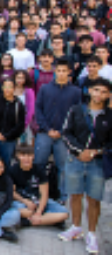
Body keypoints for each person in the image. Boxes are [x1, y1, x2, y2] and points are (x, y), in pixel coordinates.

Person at [59, 78, 112, 254]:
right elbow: (66, 133)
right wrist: (79, 151)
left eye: (104, 92)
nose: (99, 95)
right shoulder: (76, 110)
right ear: (90, 90)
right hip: (75, 159)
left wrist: (95, 152)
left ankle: (92, 234)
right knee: (75, 195)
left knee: (94, 199)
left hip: (97, 162)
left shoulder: (109, 116)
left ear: (109, 95)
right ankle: (75, 227)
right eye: (97, 90)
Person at [35, 59, 81, 202]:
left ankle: (63, 196)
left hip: (64, 136)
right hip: (45, 133)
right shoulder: (44, 89)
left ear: (69, 73)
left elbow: (76, 114)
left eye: (64, 71)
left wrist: (63, 131)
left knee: (64, 167)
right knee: (39, 164)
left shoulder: (76, 92)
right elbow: (38, 110)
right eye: (58, 71)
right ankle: (39, 193)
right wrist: (47, 129)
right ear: (55, 72)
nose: (61, 74)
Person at [10, 145, 69, 229]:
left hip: (38, 200)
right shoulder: (13, 169)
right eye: (23, 155)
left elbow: (44, 194)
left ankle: (27, 222)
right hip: (22, 201)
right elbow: (12, 192)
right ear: (18, 156)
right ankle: (48, 220)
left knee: (64, 214)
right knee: (21, 211)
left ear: (33, 156)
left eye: (29, 155)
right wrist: (26, 202)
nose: (26, 158)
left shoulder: (39, 170)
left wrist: (38, 212)